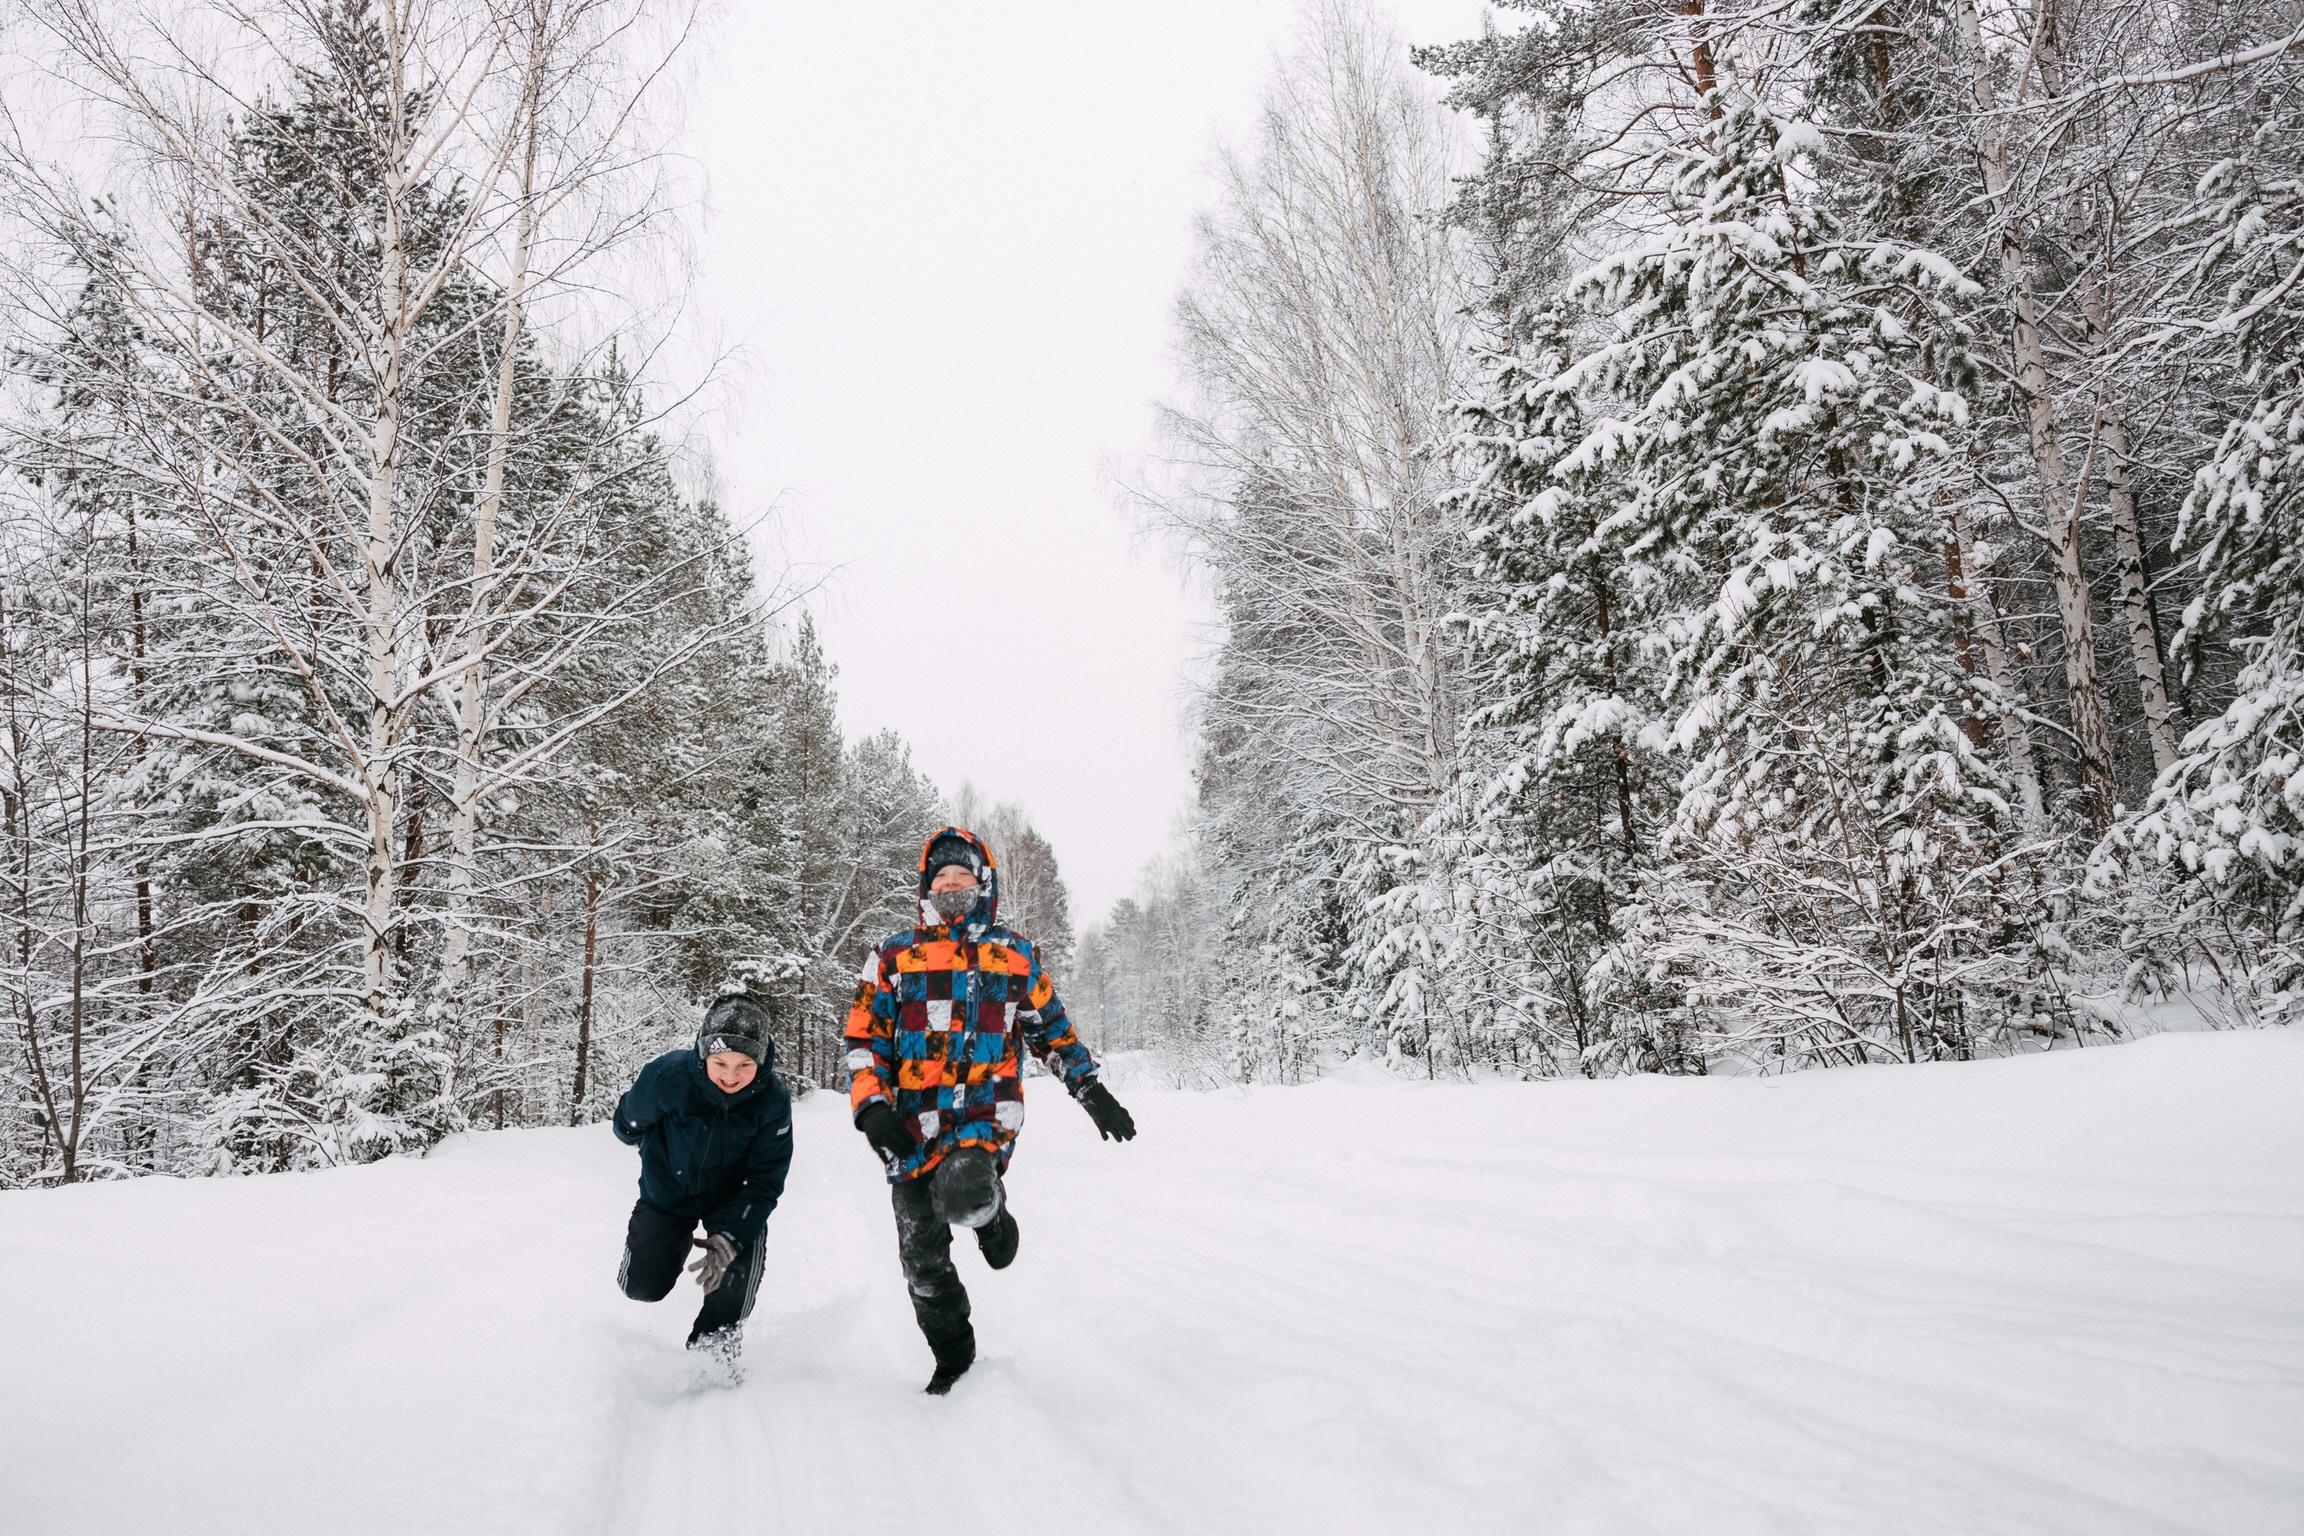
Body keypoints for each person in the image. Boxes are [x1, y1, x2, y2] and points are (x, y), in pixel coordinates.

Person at [845, 826, 1137, 1394]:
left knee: (961, 1189)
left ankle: (987, 1213)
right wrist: (871, 1108)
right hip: (909, 1126)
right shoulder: (892, 954)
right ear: (927, 888)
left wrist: (1089, 1089)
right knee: (922, 1265)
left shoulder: (1013, 955)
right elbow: (864, 1039)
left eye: (962, 876)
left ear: (983, 884)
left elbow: (1050, 1032)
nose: (952, 884)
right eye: (942, 877)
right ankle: (954, 1355)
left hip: (984, 1115)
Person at [612, 993, 794, 1369]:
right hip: (667, 1193)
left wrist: (733, 1235)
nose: (731, 1075)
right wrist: (643, 1142)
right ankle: (671, 1243)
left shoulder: (772, 1101)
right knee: (642, 1288)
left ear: (760, 1061)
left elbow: (765, 1181)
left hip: (729, 1201)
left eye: (745, 1064)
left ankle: (713, 1354)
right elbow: (626, 1125)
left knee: (737, 1269)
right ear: (703, 1054)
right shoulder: (667, 1076)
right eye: (721, 1062)